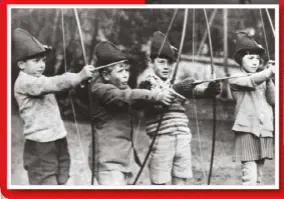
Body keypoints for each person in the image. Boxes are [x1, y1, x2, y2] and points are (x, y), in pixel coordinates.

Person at [13, 28, 96, 185]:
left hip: (58, 138)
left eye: (43, 60)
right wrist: (78, 76)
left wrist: (79, 81)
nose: (42, 65)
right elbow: (54, 83)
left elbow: (58, 86)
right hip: (40, 146)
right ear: (21, 64)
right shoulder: (24, 82)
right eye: (36, 61)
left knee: (61, 180)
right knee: (46, 185)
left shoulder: (40, 79)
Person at [138, 31, 221, 185]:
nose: (166, 67)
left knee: (181, 178)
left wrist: (209, 90)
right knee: (159, 181)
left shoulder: (175, 81)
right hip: (162, 138)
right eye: (161, 62)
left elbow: (194, 91)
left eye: (170, 63)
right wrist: (175, 89)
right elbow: (150, 97)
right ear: (151, 62)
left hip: (183, 137)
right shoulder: (146, 82)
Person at [89, 41, 175, 185]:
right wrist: (156, 96)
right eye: (120, 71)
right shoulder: (100, 89)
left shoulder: (120, 88)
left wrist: (158, 97)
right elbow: (127, 96)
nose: (125, 75)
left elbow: (136, 100)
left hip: (122, 160)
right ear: (106, 74)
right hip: (107, 162)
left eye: (127, 70)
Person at [228, 31, 275, 185]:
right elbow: (251, 81)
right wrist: (267, 73)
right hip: (247, 130)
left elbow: (274, 100)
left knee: (259, 177)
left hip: (264, 130)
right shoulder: (235, 78)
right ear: (240, 61)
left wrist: (270, 78)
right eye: (250, 58)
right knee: (249, 177)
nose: (255, 62)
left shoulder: (263, 77)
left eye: (257, 58)